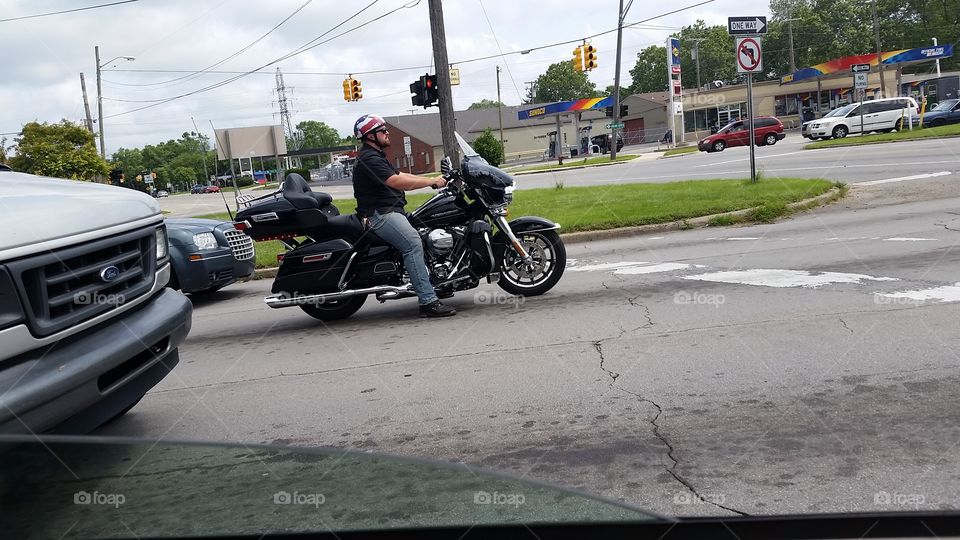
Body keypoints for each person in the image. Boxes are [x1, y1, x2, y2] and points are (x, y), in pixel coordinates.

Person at [351, 114, 456, 318]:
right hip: (380, 215)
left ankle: (436, 282)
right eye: (383, 131)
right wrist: (431, 182)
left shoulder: (376, 155)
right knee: (413, 243)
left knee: (426, 230)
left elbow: (401, 176)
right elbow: (397, 182)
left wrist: (433, 180)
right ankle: (428, 301)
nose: (387, 133)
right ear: (370, 136)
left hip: (390, 210)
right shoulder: (369, 158)